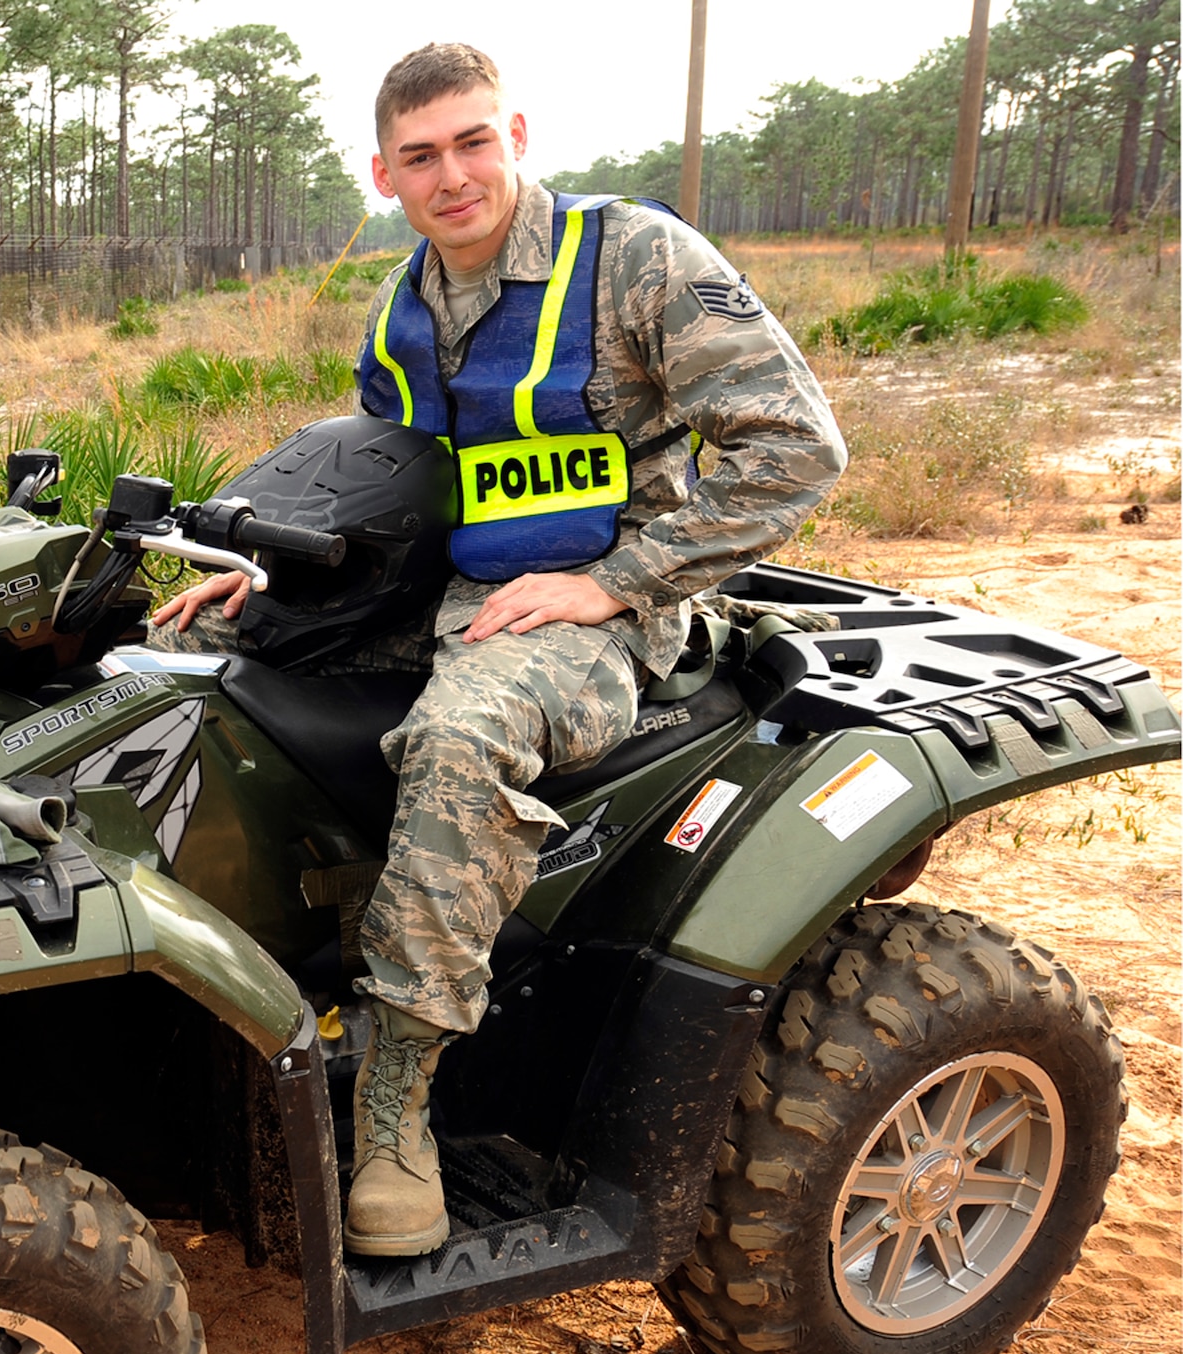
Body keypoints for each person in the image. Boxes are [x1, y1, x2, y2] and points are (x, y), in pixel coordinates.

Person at [149, 43, 847, 1257]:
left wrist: (612, 582)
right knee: (173, 673)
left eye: (472, 142)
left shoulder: (629, 258)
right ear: (384, 172)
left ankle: (396, 1093)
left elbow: (793, 448)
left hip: (591, 608)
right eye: (420, 155)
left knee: (460, 735)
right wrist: (261, 576)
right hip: (437, 587)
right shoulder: (405, 297)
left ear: (514, 136)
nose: (451, 174)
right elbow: (377, 481)